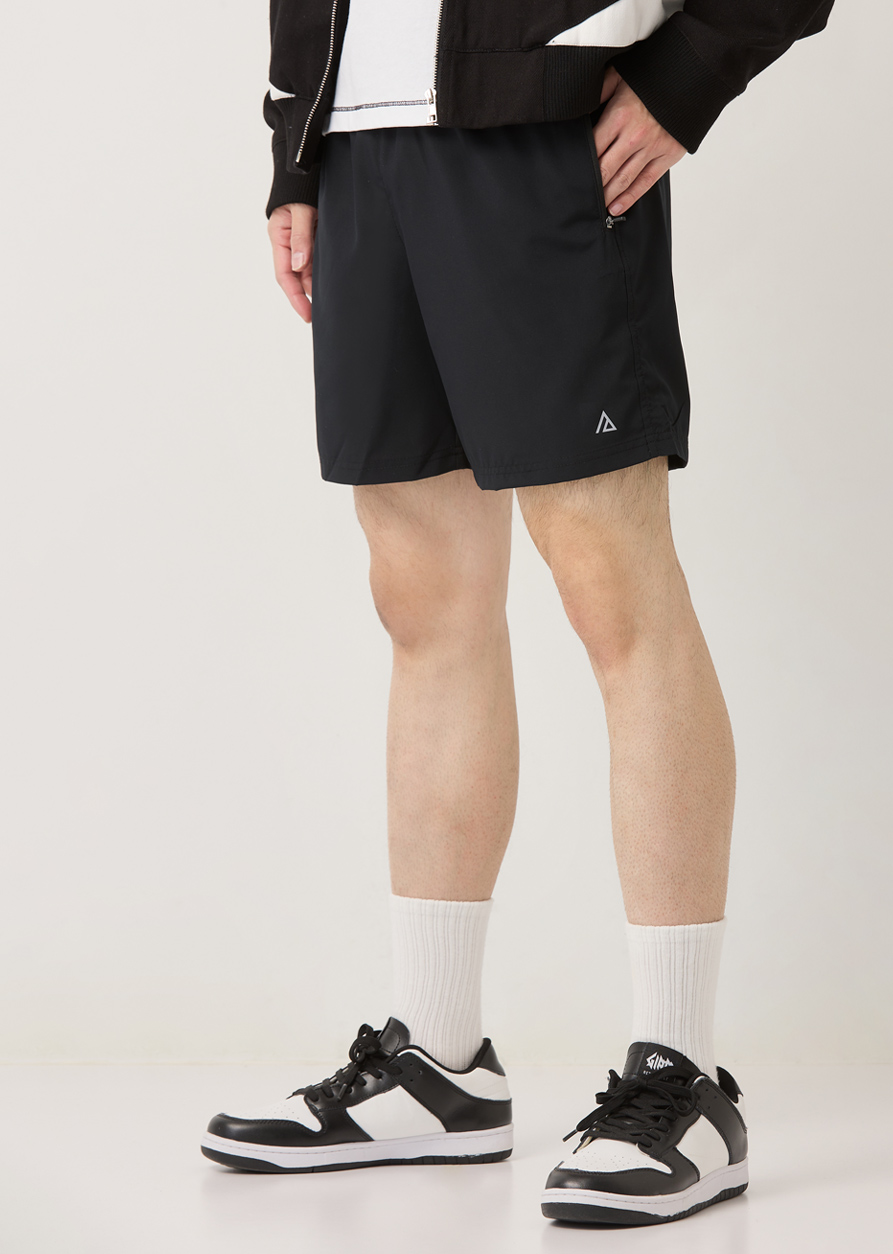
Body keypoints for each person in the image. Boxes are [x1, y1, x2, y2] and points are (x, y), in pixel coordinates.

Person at [201, 0, 834, 1227]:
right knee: (421, 599)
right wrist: (298, 149)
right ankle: (437, 1063)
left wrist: (687, 76)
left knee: (614, 589)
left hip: (544, 127)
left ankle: (683, 1079)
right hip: (361, 141)